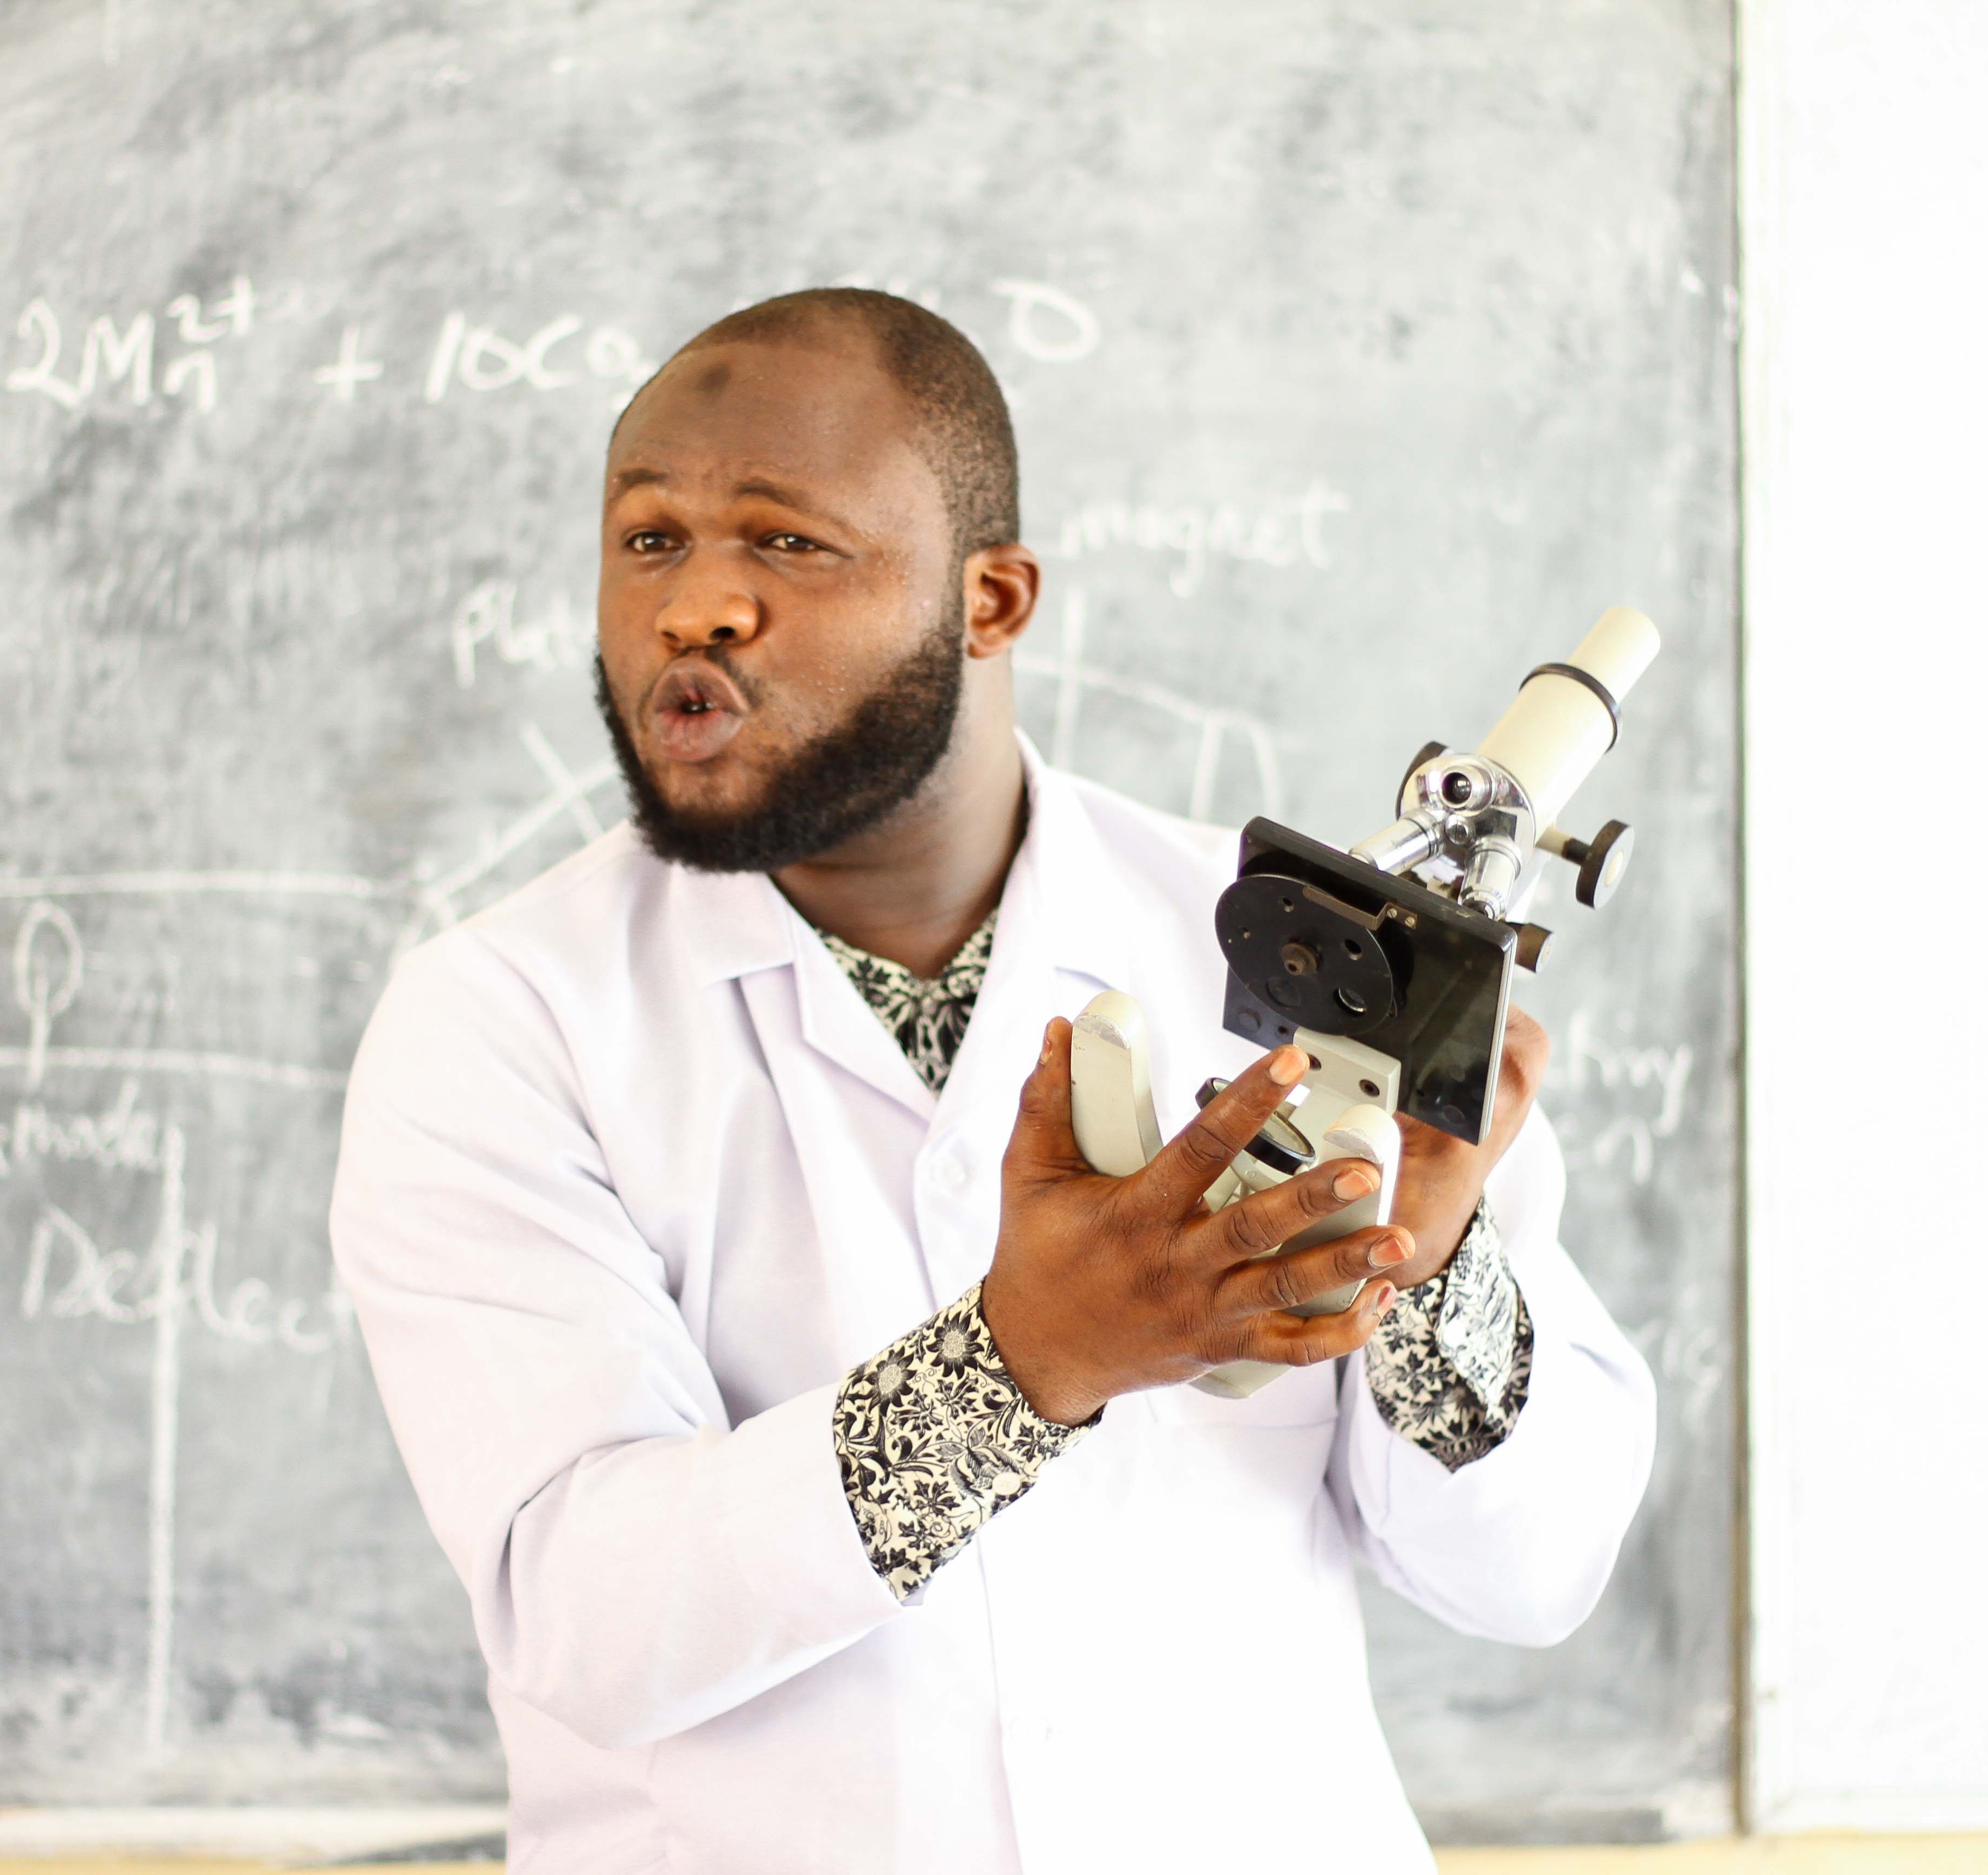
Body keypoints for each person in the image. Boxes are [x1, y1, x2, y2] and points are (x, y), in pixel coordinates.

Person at [331, 289, 1655, 1872]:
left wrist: (1434, 1280)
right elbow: (589, 1617)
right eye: (651, 543)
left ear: (993, 601)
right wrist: (1019, 1366)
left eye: (788, 544)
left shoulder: (1300, 964)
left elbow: (1534, 1573)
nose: (697, 609)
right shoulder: (503, 1021)